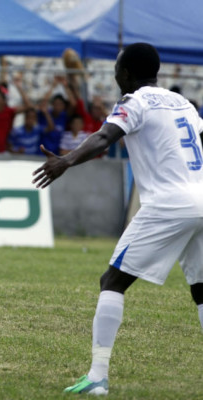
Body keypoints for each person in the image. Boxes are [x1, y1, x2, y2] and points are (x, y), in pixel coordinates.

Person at [33, 43, 203, 395]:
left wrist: (66, 160)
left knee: (112, 281)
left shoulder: (134, 101)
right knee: (202, 291)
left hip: (167, 205)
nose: (113, 76)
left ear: (125, 73)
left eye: (115, 70)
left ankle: (98, 375)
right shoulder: (183, 103)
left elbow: (105, 136)